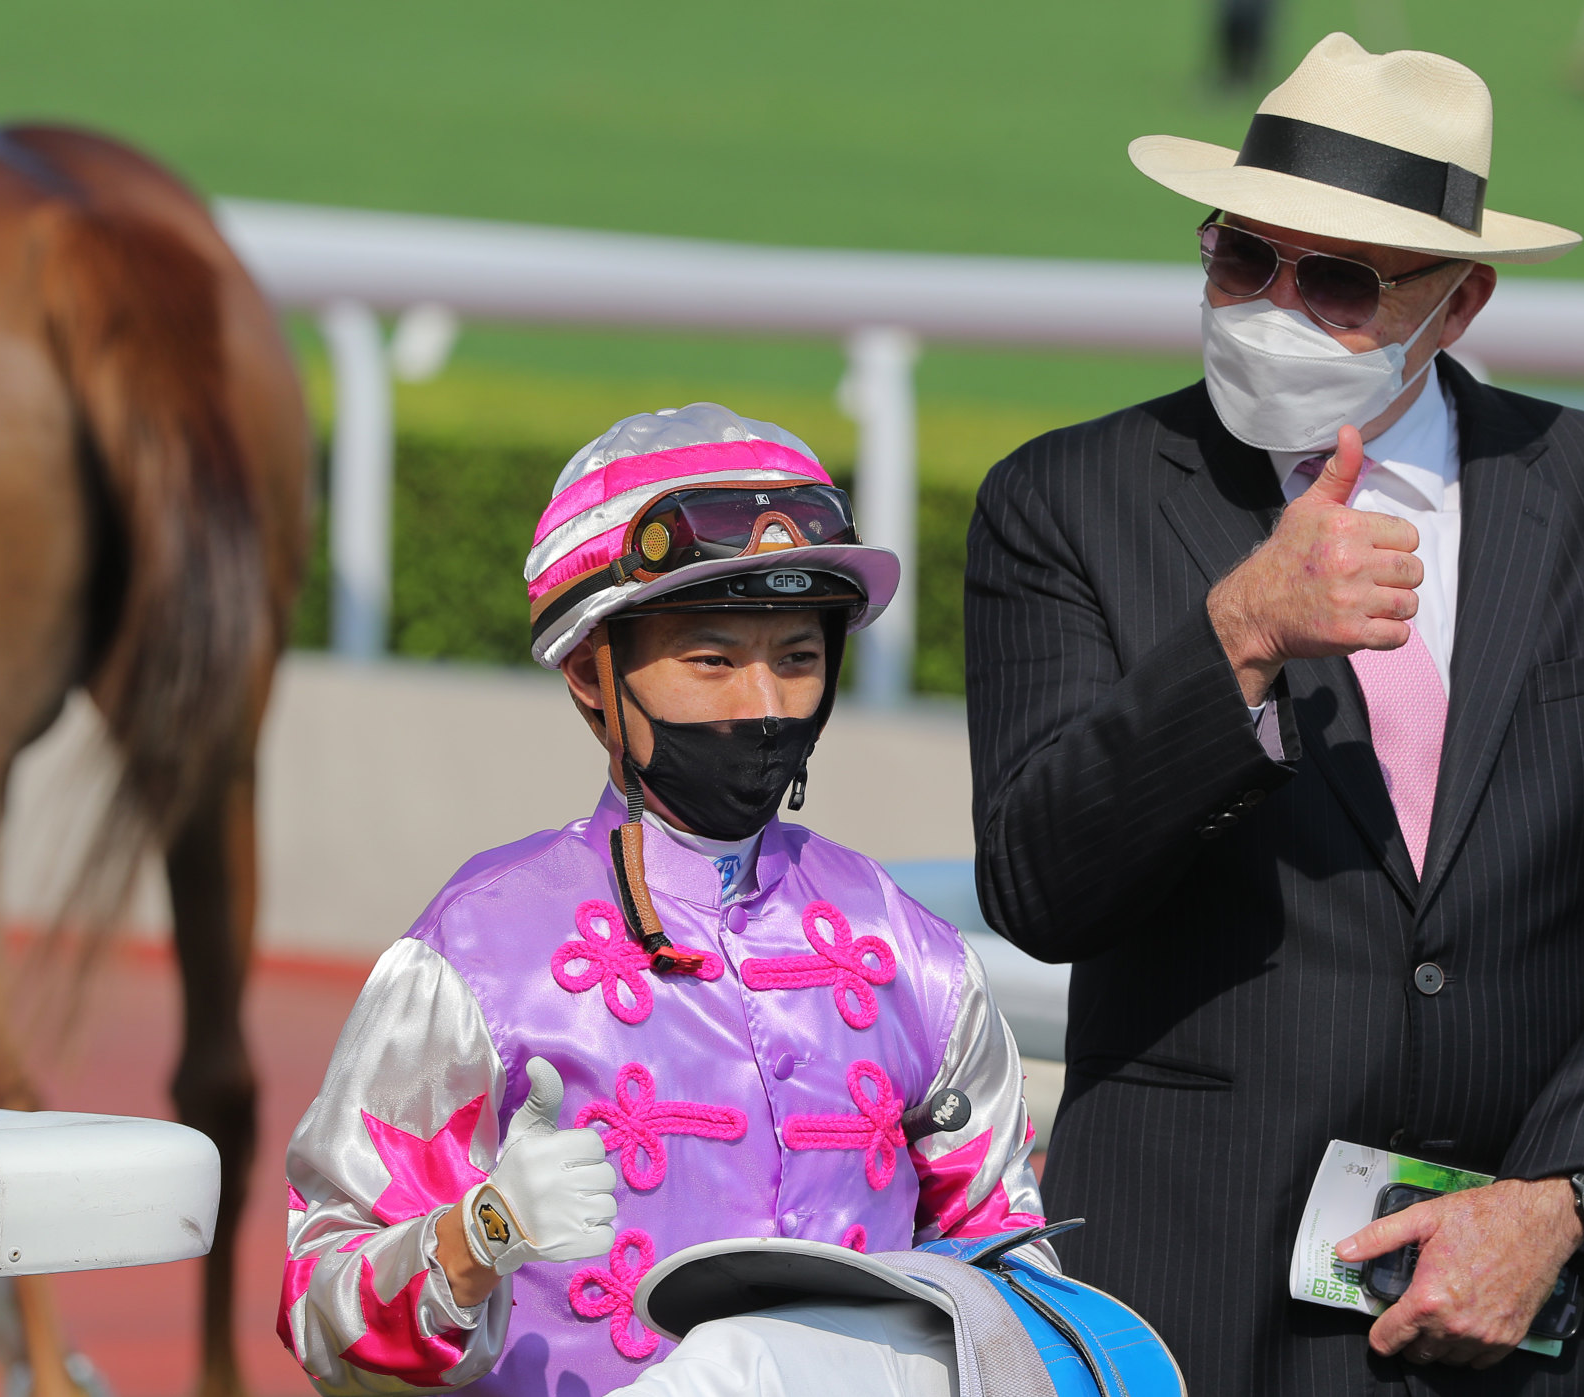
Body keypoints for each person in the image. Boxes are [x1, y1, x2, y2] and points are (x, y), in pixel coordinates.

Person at [964, 32, 1584, 1396]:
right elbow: (1040, 885)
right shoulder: (1061, 500)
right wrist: (1234, 638)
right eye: (1239, 259)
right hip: (1196, 1306)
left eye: (1334, 281)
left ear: (1455, 304)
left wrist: (1556, 1202)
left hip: (1537, 1314)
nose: (1269, 307)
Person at [278, 405, 1053, 1395]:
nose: (764, 705)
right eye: (713, 659)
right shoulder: (474, 952)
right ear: (590, 673)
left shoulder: (914, 955)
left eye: (798, 658)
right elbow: (318, 1305)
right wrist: (477, 1236)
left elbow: (1012, 1280)